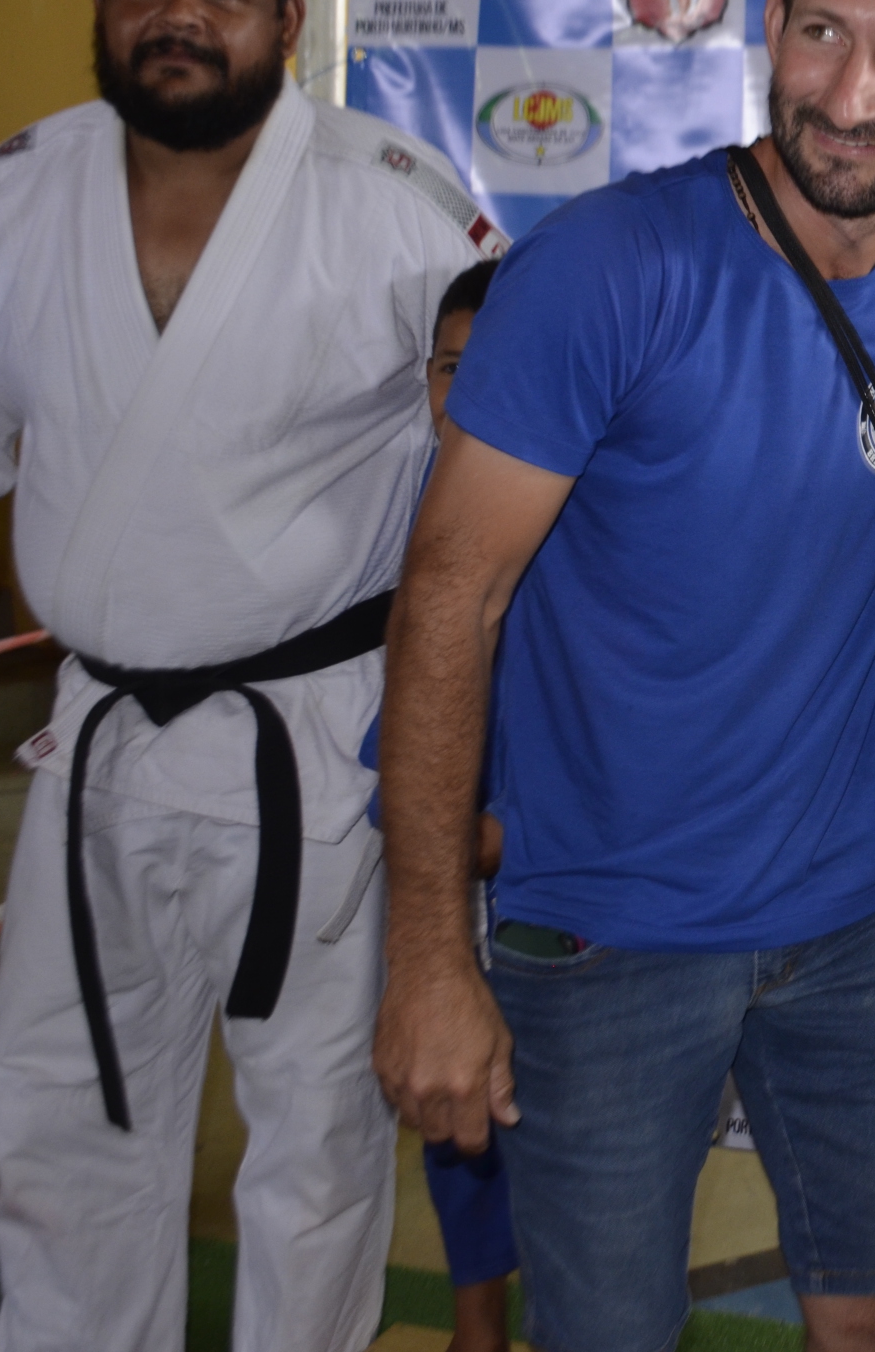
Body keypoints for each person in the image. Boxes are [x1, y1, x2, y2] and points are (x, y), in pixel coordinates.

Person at [371, 0, 875, 1352]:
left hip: (865, 911)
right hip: (606, 931)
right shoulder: (605, 269)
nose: (849, 91)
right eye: (820, 34)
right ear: (774, 25)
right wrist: (427, 955)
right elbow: (449, 597)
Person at [0, 0, 500, 1352]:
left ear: (290, 16)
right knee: (60, 1128)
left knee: (313, 1153)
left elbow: (507, 485)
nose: (181, 15)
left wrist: (504, 759)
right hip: (95, 746)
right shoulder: (14, 204)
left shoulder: (394, 206)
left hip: (314, 745)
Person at [357, 260, 518, 1352]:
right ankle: (477, 1325)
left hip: (580, 902)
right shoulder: (407, 515)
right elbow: (403, 729)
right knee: (464, 1116)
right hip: (468, 883)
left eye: (490, 370)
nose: (464, 395)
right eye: (450, 368)